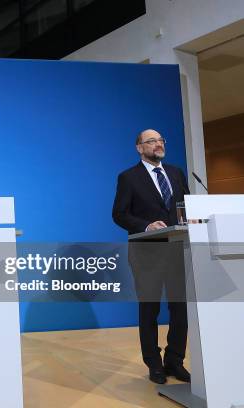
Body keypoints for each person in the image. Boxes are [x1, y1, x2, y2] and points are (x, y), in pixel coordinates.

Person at [112, 129, 190, 385]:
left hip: (179, 250)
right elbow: (120, 214)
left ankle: (175, 361)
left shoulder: (176, 173)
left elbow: (187, 206)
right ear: (139, 147)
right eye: (151, 141)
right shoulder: (128, 177)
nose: (158, 144)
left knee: (180, 309)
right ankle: (154, 364)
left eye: (160, 140)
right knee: (150, 310)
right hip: (147, 252)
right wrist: (146, 226)